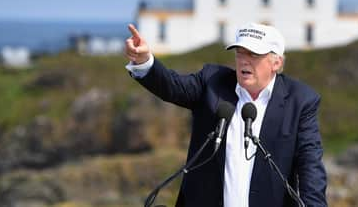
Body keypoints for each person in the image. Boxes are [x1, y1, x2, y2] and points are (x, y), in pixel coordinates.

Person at [124, 22, 327, 207]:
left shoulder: (300, 101)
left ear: (276, 63)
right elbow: (172, 86)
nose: (244, 61)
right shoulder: (213, 82)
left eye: (254, 54)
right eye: (240, 53)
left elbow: (311, 167)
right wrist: (144, 61)